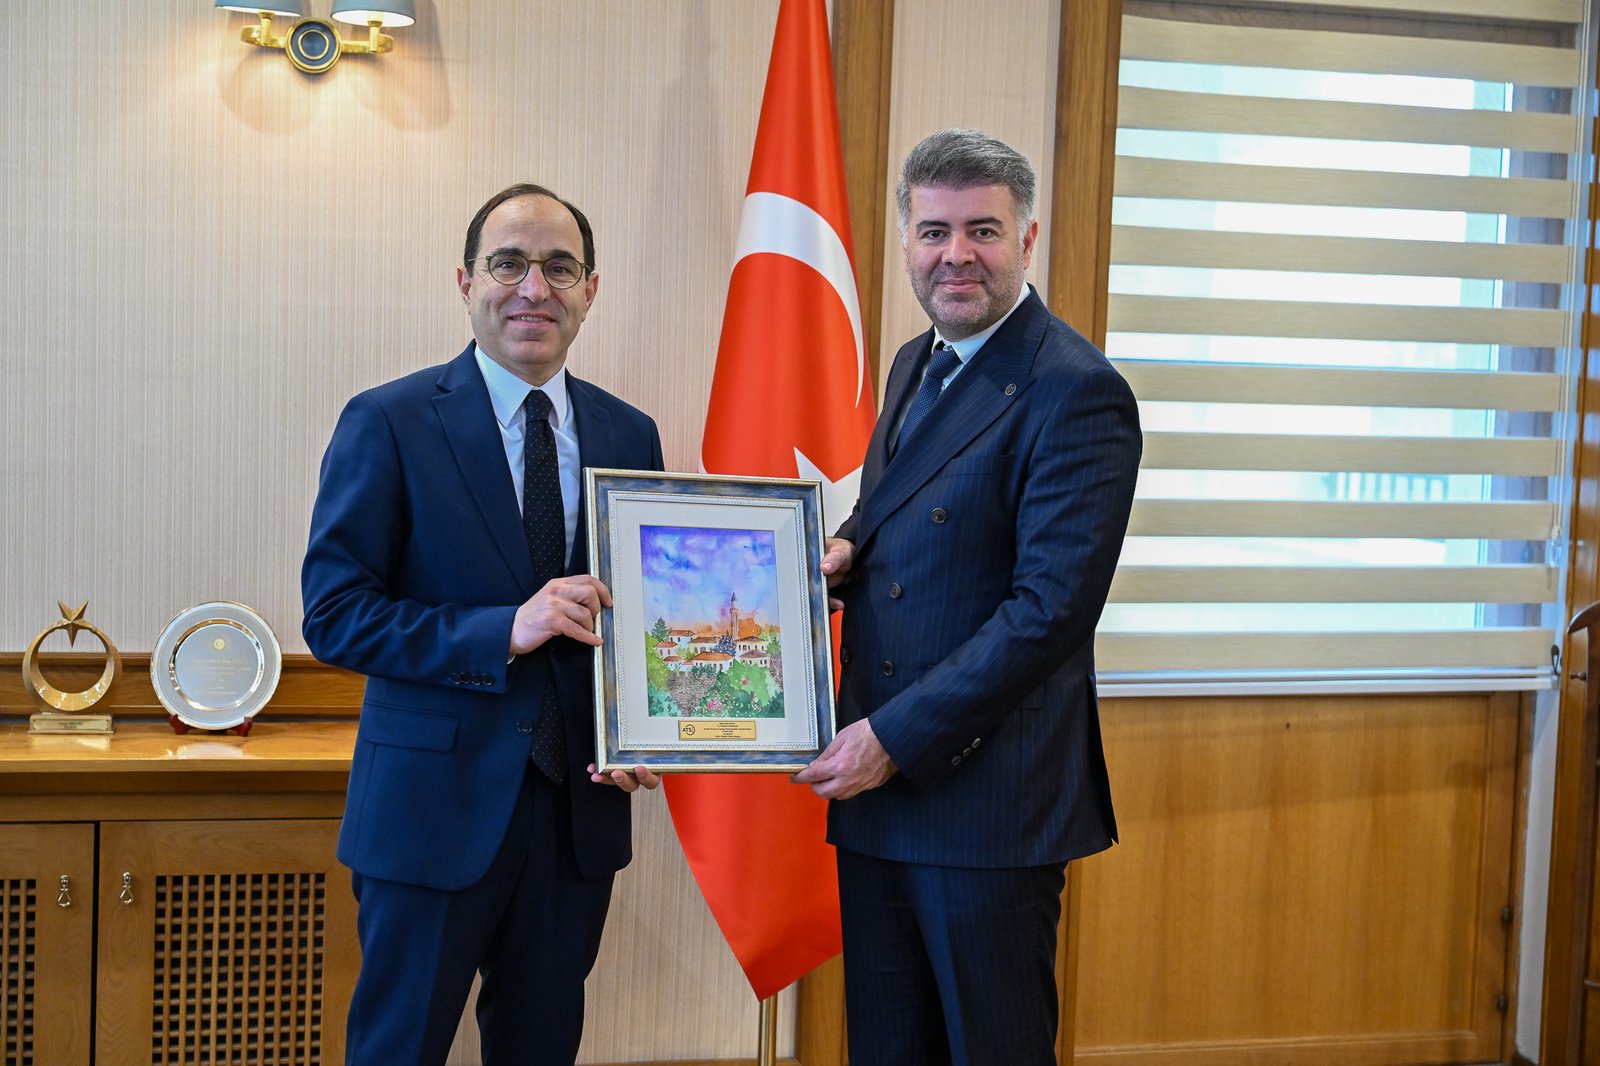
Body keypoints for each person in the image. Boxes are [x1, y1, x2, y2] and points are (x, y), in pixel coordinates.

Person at [793, 129, 1142, 1065]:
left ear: (1026, 240)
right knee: (887, 1048)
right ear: (906, 242)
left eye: (982, 231)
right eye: (934, 231)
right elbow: (897, 505)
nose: (956, 255)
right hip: (880, 793)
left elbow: (1049, 612)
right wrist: (842, 549)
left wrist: (892, 740)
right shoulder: (916, 359)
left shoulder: (1078, 390)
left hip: (986, 802)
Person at [302, 183, 663, 1066]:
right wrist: (504, 629)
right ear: (466, 281)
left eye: (560, 268)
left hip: (577, 815)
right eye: (508, 264)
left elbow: (641, 620)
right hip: (429, 813)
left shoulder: (631, 433)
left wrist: (647, 723)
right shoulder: (388, 421)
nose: (534, 288)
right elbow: (336, 616)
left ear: (590, 290)